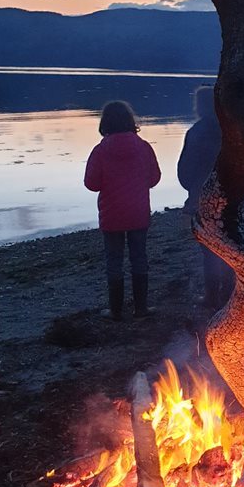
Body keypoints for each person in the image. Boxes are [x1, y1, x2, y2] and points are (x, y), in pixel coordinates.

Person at [178, 86, 244, 309]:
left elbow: (186, 172)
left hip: (223, 195)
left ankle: (217, 295)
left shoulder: (200, 132)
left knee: (217, 245)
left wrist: (195, 190)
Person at [84, 100, 161, 321]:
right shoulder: (144, 147)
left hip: (112, 215)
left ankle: (116, 311)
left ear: (105, 123)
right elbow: (154, 178)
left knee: (114, 262)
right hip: (138, 213)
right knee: (139, 258)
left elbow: (92, 183)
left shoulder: (100, 151)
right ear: (130, 121)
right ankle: (141, 308)